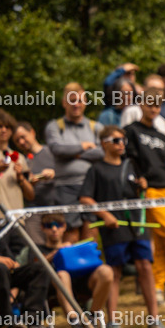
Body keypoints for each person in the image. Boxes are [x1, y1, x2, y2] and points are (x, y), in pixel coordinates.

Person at [79, 126, 163, 328]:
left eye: (123, 140)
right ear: (104, 143)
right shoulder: (96, 170)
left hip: (138, 223)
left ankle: (154, 318)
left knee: (145, 266)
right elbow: (85, 198)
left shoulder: (132, 165)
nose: (121, 144)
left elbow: (138, 189)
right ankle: (113, 320)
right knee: (115, 271)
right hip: (114, 227)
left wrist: (143, 185)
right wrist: (105, 214)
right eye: (116, 140)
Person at [124, 88, 165, 307]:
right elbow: (130, 160)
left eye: (157, 105)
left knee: (163, 241)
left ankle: (158, 287)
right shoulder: (131, 131)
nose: (153, 108)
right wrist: (137, 179)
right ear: (140, 104)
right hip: (150, 191)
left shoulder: (162, 136)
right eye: (149, 104)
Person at [23, 213, 114, 328]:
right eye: (49, 225)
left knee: (106, 271)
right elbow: (33, 269)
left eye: (58, 225)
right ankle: (74, 320)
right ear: (42, 228)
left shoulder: (74, 247)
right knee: (62, 275)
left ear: (64, 227)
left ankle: (91, 317)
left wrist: (72, 250)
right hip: (53, 287)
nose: (54, 229)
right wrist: (55, 253)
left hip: (82, 282)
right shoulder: (36, 250)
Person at [44, 83, 103, 242]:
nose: (76, 104)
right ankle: (72, 266)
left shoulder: (95, 127)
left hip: (92, 185)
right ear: (64, 103)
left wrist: (75, 154)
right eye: (72, 100)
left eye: (80, 100)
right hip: (65, 186)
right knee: (70, 230)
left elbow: (103, 151)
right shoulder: (55, 126)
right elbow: (57, 149)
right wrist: (83, 147)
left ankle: (91, 266)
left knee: (91, 226)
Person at [0, 109, 35, 247]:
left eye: (7, 127)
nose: (4, 130)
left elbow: (30, 195)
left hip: (17, 219)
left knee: (19, 264)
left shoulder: (19, 157)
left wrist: (20, 177)